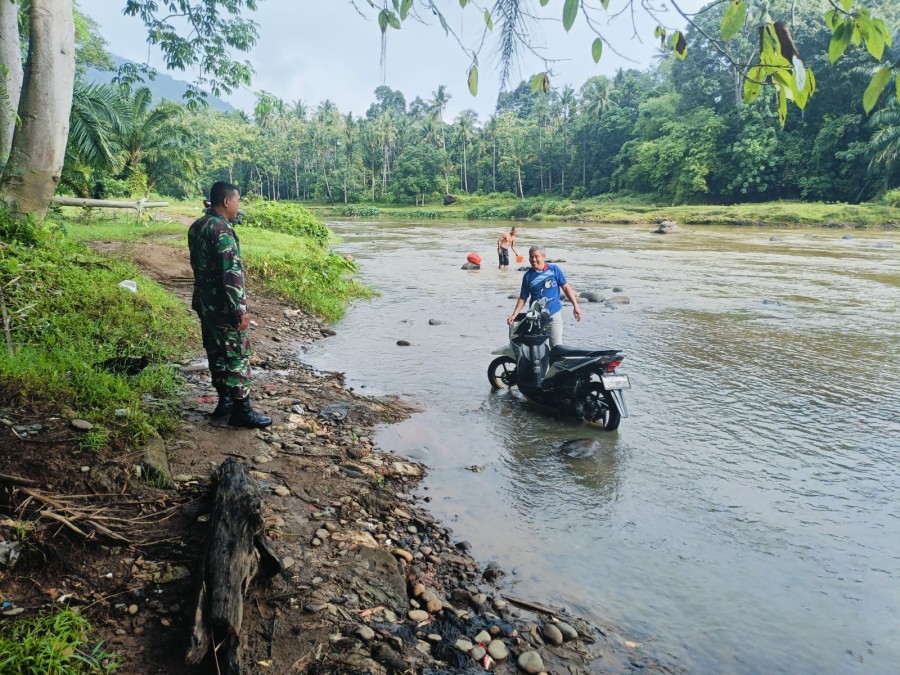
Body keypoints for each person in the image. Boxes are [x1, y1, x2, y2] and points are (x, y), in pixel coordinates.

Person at [188, 181, 272, 429]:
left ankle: (224, 403)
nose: (238, 206)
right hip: (224, 306)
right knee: (236, 355)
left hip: (205, 303)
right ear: (226, 202)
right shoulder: (222, 230)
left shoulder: (197, 226)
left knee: (216, 352)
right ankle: (241, 410)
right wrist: (239, 309)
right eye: (237, 201)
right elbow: (230, 273)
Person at [507, 246, 582, 348]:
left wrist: (575, 305)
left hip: (553, 316)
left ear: (543, 257)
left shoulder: (554, 269)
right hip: (536, 319)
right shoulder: (528, 276)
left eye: (536, 256)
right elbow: (523, 297)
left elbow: (566, 287)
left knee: (557, 348)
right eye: (531, 257)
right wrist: (514, 314)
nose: (533, 259)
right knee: (538, 351)